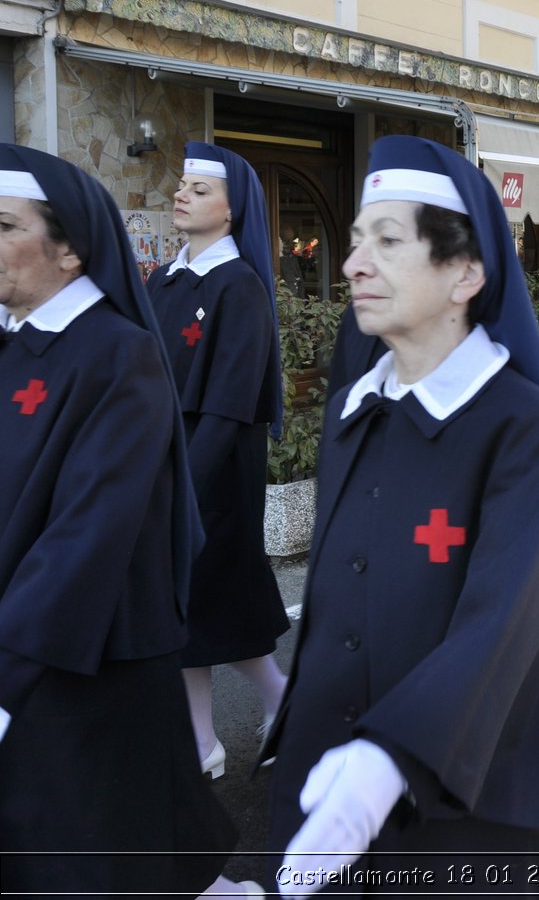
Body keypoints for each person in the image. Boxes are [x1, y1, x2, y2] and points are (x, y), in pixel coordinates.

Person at [264, 136, 539, 894]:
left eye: (388, 240)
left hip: (473, 810)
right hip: (328, 784)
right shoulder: (349, 411)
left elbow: (506, 619)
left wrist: (388, 758)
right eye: (356, 240)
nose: (353, 264)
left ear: (466, 272)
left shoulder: (529, 428)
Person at [0, 144, 237, 895]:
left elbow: (85, 536)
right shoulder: (11, 343)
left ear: (69, 248)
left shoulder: (118, 355)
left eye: (4, 225)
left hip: (80, 670)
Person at [145, 142, 288, 780]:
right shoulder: (162, 279)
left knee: (210, 600)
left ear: (232, 212)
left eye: (200, 191)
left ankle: (259, 709)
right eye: (183, 186)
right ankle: (212, 734)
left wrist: (180, 482)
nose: (182, 195)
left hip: (216, 469)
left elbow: (230, 407)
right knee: (191, 606)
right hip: (168, 460)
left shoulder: (240, 287)